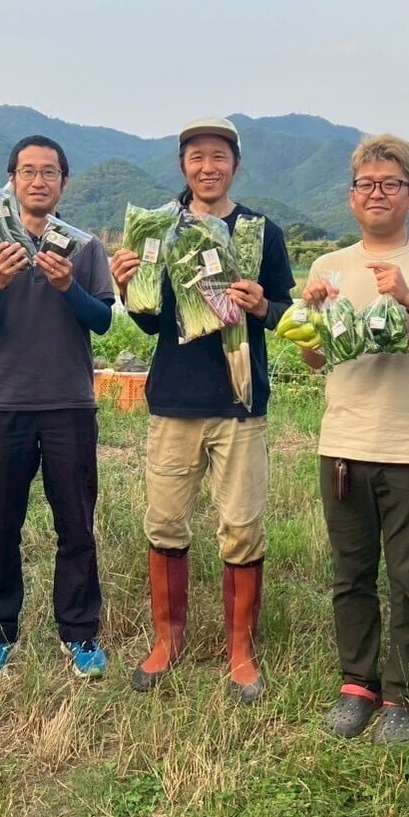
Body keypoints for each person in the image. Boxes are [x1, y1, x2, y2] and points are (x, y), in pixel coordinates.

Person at [109, 117, 295, 703]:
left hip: (241, 403)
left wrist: (262, 306)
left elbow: (286, 311)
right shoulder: (159, 229)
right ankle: (168, 641)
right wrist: (127, 288)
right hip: (175, 401)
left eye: (218, 156)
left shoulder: (260, 233)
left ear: (235, 164)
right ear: (183, 166)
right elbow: (149, 322)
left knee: (242, 527)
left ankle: (241, 650)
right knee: (165, 523)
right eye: (197, 157)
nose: (207, 166)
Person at [298, 135, 409, 745]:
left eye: (391, 184)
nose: (377, 194)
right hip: (343, 444)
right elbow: (318, 359)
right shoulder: (329, 266)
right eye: (366, 184)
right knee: (350, 574)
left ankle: (403, 693)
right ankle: (357, 684)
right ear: (351, 197)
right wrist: (310, 317)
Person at [0, 135, 115, 680]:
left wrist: (69, 286)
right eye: (27, 171)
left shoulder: (84, 248)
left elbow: (102, 320)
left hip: (71, 404)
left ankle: (80, 633)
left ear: (64, 183)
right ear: (11, 182)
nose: (38, 180)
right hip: (7, 406)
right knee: (1, 523)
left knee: (76, 524)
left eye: (50, 171)